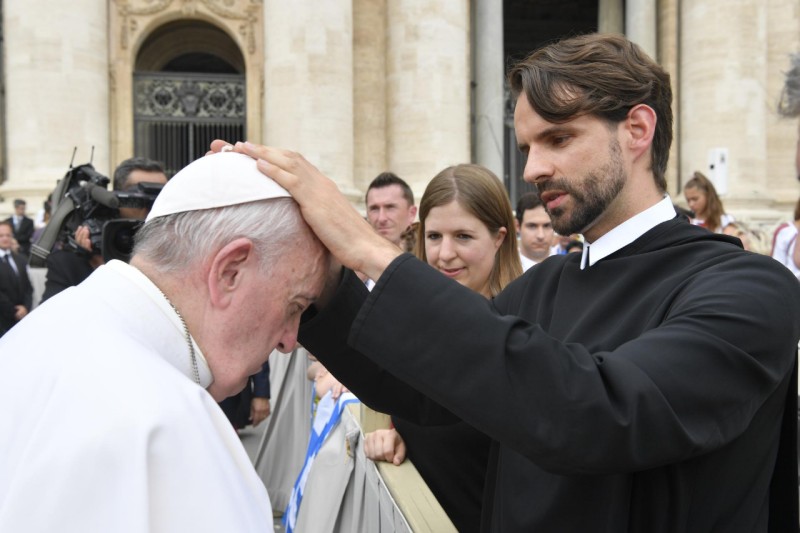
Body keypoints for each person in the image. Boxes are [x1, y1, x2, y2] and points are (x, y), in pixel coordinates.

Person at [219, 32, 800, 531]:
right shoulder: (547, 284)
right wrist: (317, 275)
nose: (532, 169)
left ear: (637, 129)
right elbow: (422, 384)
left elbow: (602, 413)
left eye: (558, 139)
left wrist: (373, 251)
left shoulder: (750, 288)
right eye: (527, 147)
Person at [0, 152, 328, 531]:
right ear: (230, 271)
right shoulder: (172, 426)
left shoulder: (45, 327)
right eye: (295, 305)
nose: (289, 341)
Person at [362, 164, 521, 532]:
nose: (444, 254)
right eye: (434, 236)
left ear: (499, 238)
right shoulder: (410, 325)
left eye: (463, 236)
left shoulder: (525, 326)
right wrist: (393, 435)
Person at [40, 157, 168, 302]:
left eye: (161, 197)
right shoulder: (72, 261)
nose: (152, 206)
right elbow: (54, 313)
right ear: (117, 197)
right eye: (140, 199)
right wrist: (100, 272)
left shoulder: (181, 246)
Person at [0, 221, 32, 337]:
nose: (5, 238)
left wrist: (25, 307)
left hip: (21, 319)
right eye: (1, 235)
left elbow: (28, 287)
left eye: (8, 235)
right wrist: (14, 311)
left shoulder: (21, 259)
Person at [515, 191, 554, 271]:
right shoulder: (501, 270)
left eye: (547, 226)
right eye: (532, 226)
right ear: (517, 226)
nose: (540, 235)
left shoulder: (569, 268)